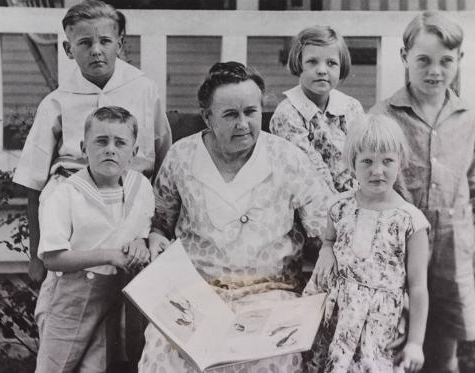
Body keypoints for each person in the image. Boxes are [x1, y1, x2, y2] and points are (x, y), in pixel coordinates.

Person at [138, 61, 332, 373]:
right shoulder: (181, 156)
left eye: (250, 112)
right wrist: (157, 239)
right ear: (207, 117)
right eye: (230, 115)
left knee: (272, 359)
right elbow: (161, 220)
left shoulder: (287, 158)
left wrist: (327, 250)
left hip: (270, 294)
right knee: (165, 353)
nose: (242, 123)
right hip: (197, 295)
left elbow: (324, 227)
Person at [13, 0, 171, 285]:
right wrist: (35, 257)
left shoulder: (145, 89)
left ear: (120, 44)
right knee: (77, 300)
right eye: (84, 43)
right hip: (78, 219)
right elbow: (34, 184)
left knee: (133, 306)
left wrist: (155, 231)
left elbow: (163, 161)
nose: (96, 50)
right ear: (68, 49)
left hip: (134, 210)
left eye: (105, 41)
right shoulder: (56, 102)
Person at [370, 11, 475, 373]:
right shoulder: (384, 117)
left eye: (445, 61)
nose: (435, 70)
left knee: (443, 346)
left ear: (460, 61)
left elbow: (470, 178)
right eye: (423, 60)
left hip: (452, 244)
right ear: (405, 58)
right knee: (393, 338)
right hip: (399, 245)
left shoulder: (471, 119)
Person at [303, 114, 429, 373]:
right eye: (367, 161)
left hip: (378, 323)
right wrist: (326, 251)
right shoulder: (339, 206)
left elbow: (418, 288)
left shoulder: (411, 221)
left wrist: (416, 342)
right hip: (335, 314)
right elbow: (329, 240)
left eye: (387, 161)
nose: (377, 170)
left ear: (400, 162)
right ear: (353, 163)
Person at [35, 106, 154, 372]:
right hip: (68, 296)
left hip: (112, 294)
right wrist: (110, 254)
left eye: (120, 143)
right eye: (101, 141)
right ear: (83, 147)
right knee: (56, 366)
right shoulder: (65, 193)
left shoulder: (140, 187)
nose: (110, 149)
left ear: (133, 153)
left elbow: (142, 231)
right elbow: (53, 258)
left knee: (95, 367)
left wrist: (139, 243)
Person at [270, 25, 364, 194]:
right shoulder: (287, 114)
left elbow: (364, 155)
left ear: (341, 67)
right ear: (299, 64)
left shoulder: (351, 107)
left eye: (331, 63)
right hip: (310, 199)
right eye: (312, 62)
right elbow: (309, 168)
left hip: (355, 197)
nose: (322, 70)